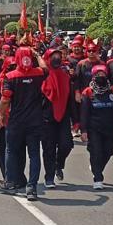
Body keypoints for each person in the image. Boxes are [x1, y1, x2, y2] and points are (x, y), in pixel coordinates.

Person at [0, 47, 45, 201]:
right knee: (34, 154)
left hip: (16, 121)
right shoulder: (38, 73)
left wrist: (1, 115)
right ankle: (32, 187)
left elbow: (5, 100)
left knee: (11, 151)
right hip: (35, 121)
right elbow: (45, 68)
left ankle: (10, 182)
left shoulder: (10, 76)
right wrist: (37, 54)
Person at [77, 63, 113, 190]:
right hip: (94, 128)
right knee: (96, 152)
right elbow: (84, 113)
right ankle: (97, 178)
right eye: (98, 75)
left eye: (103, 74)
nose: (101, 76)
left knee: (109, 150)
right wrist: (84, 130)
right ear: (93, 77)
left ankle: (97, 167)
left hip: (109, 127)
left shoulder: (112, 91)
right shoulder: (88, 92)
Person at [40, 49, 74, 188]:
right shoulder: (41, 75)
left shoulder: (65, 75)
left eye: (58, 57)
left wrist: (76, 120)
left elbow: (70, 98)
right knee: (49, 148)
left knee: (66, 144)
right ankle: (49, 178)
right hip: (46, 117)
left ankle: (58, 165)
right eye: (53, 56)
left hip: (63, 116)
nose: (56, 59)